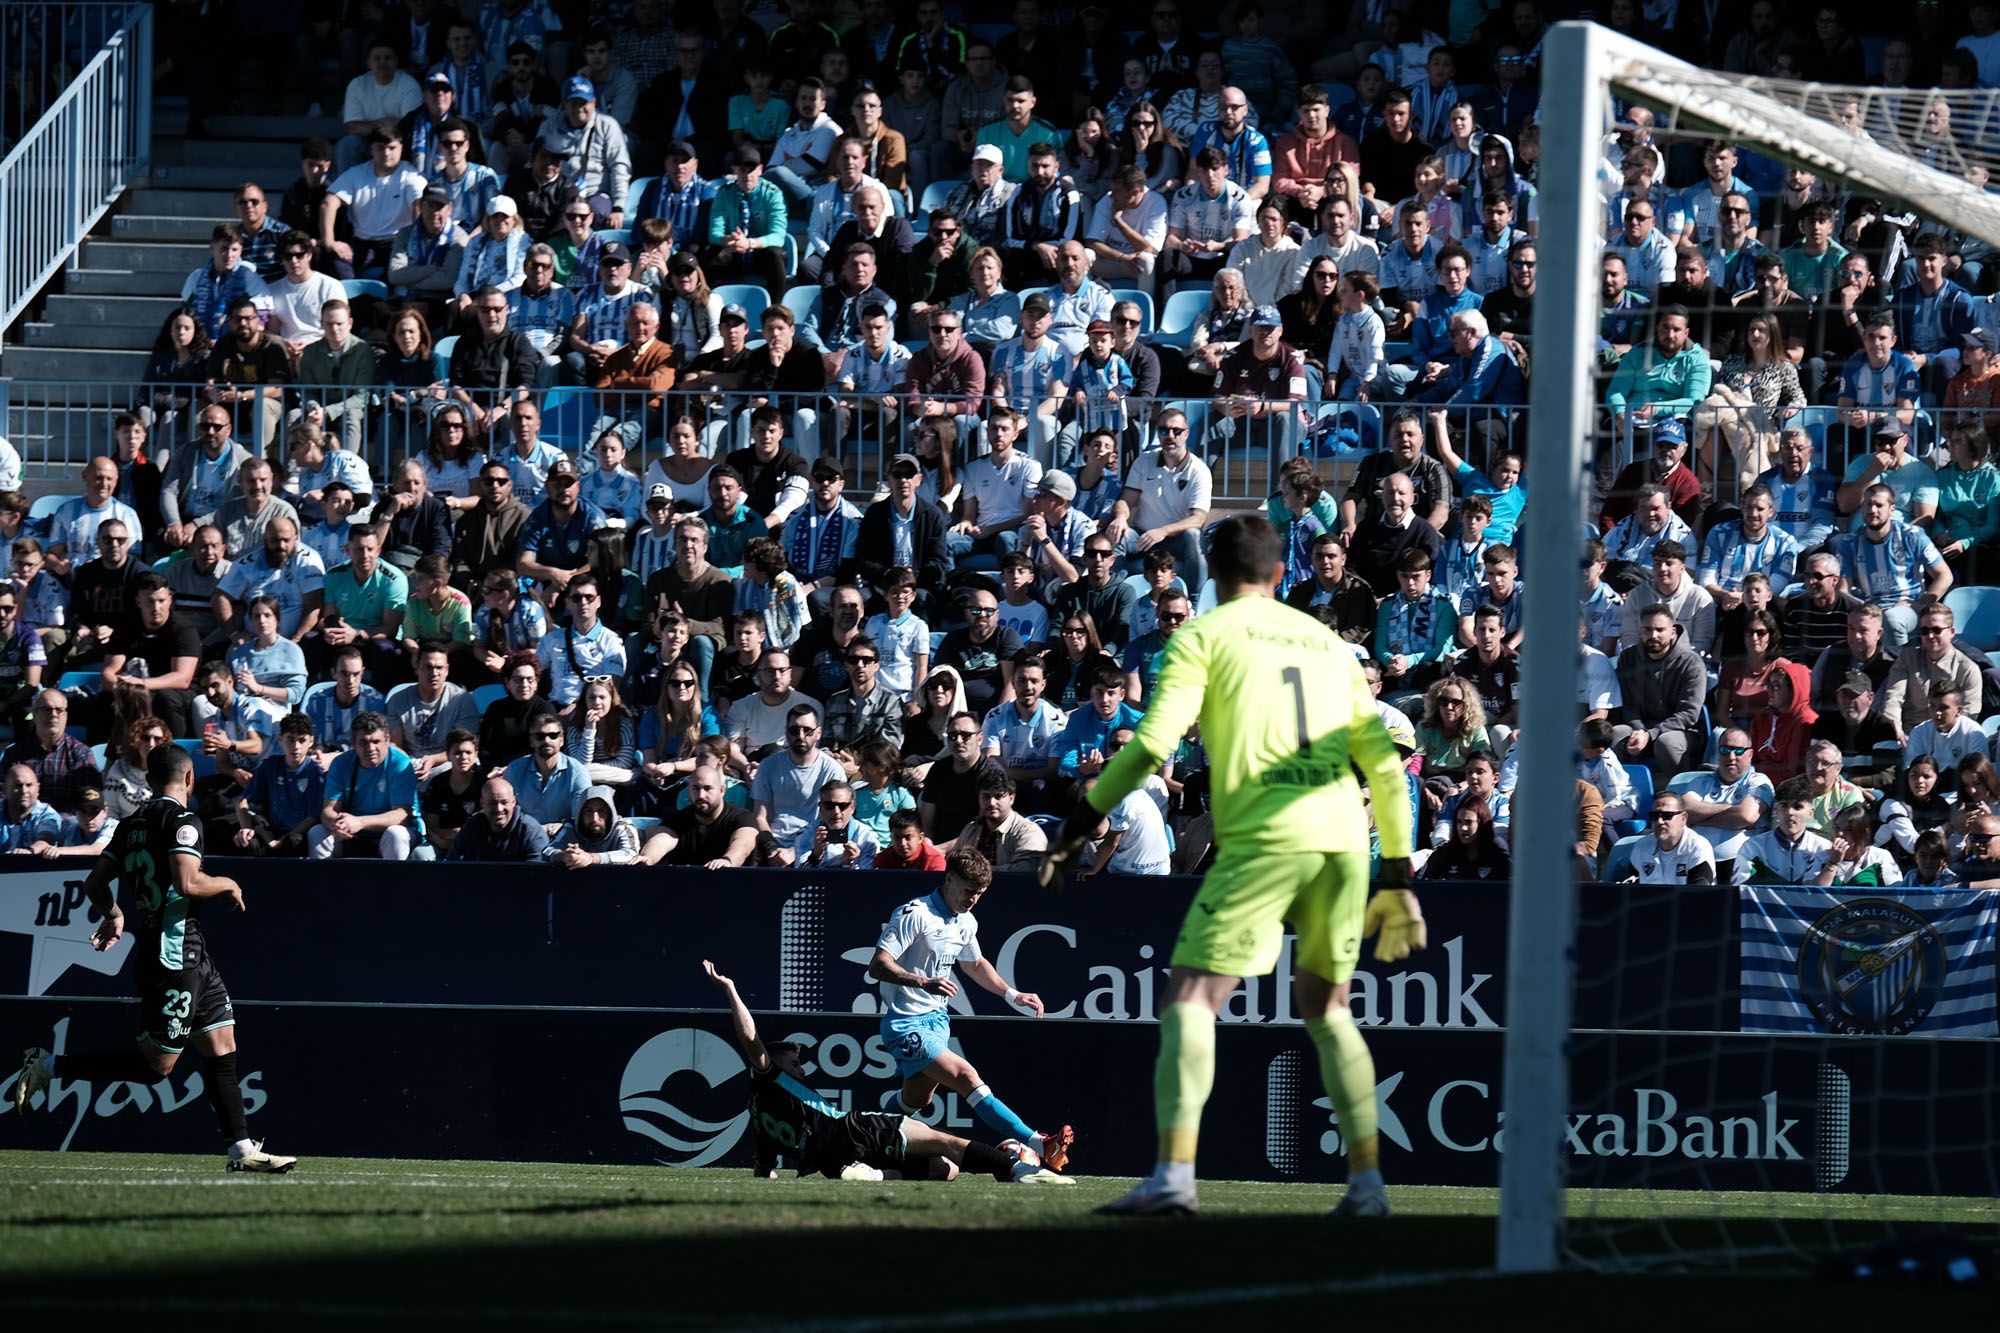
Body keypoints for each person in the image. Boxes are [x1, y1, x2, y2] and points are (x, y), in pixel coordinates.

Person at [1042, 514, 1418, 1217]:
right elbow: (1386, 772)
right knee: (1329, 1008)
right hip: (1342, 835)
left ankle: (1175, 1175)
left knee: (1190, 997)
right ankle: (1368, 1186)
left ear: (1213, 576)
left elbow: (1152, 742)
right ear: (1281, 575)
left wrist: (1082, 820)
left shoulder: (1203, 637)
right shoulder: (1332, 646)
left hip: (1269, 832)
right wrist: (1396, 872)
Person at [11, 743, 294, 1171]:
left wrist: (114, 914)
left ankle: (243, 1150)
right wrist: (227, 882)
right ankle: (49, 1065)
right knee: (158, 1067)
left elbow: (94, 884)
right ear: (189, 779)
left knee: (222, 1043)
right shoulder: (183, 821)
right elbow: (187, 883)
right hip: (172, 956)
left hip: (191, 953)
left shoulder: (130, 824)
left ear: (148, 779)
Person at [701, 956, 1061, 1184]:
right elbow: (749, 1038)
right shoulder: (770, 1076)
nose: (800, 1069)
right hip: (855, 1128)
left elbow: (765, 1170)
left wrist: (769, 1172)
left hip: (833, 1160)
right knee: (947, 1142)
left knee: (945, 1170)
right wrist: (732, 990)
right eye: (793, 1062)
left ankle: (873, 1175)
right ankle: (1018, 1169)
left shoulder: (759, 1119)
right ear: (771, 1064)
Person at [868, 847, 1072, 1168]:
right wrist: (921, 981)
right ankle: (1039, 1142)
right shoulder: (915, 914)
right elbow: (878, 965)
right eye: (968, 891)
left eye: (980, 893)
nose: (973, 899)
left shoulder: (966, 921)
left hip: (938, 1021)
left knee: (917, 1100)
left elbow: (974, 964)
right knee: (966, 1076)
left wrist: (1011, 994)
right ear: (949, 879)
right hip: (906, 1023)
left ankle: (861, 1136)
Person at [311, 711, 422, 859]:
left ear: (387, 740)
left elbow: (401, 815)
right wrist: (337, 824)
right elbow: (328, 810)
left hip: (390, 831)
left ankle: (396, 881)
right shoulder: (341, 763)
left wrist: (360, 822)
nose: (370, 749)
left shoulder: (400, 763)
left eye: (376, 742)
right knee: (317, 833)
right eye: (363, 742)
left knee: (396, 834)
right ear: (353, 743)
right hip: (351, 833)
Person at [445, 776, 551, 861]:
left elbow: (537, 874)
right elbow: (453, 866)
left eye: (504, 802)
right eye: (493, 803)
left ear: (513, 802)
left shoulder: (530, 832)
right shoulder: (472, 827)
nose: (499, 809)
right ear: (482, 803)